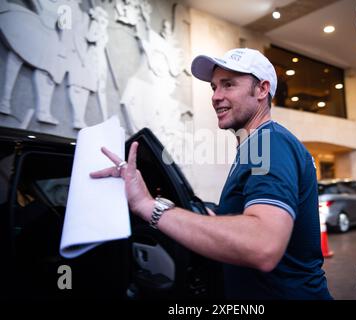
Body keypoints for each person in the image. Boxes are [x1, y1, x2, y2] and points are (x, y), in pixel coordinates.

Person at [90, 48, 332, 300]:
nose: (216, 97)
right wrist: (210, 214)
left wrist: (147, 206)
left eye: (228, 85)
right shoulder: (255, 146)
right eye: (214, 87)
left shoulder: (269, 143)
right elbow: (251, 220)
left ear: (262, 90)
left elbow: (263, 244)